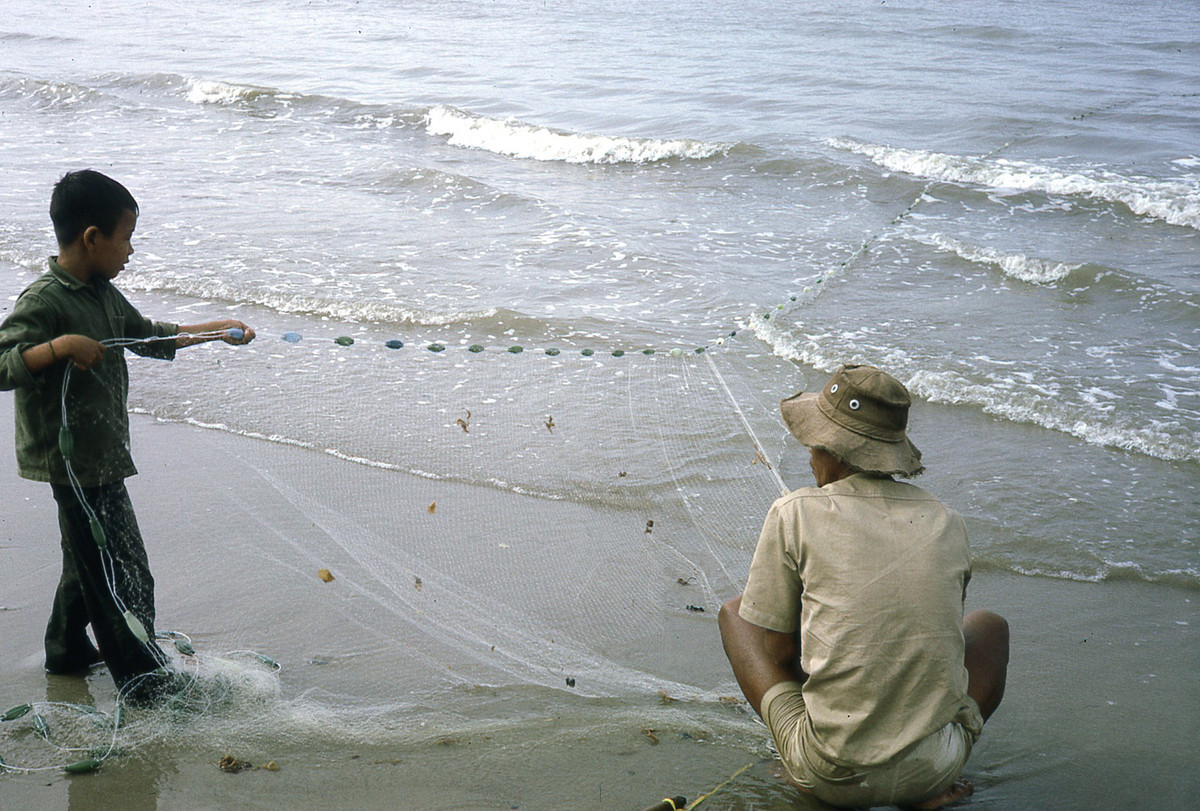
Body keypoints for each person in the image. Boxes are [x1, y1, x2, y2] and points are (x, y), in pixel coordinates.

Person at [0, 170, 256, 702]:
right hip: (72, 463)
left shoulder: (103, 293)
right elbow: (3, 362)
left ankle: (67, 649)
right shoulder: (45, 300)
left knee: (86, 559)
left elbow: (146, 336)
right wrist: (60, 346)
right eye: (127, 237)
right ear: (92, 237)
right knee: (122, 571)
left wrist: (214, 331)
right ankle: (144, 683)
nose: (131, 251)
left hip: (101, 455)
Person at [719, 364, 1009, 809]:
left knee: (734, 616)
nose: (810, 454)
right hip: (934, 770)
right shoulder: (947, 520)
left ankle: (808, 769)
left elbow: (777, 653)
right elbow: (938, 641)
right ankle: (928, 784)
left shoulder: (792, 511)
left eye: (815, 443)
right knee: (989, 627)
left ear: (835, 451)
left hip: (831, 773)